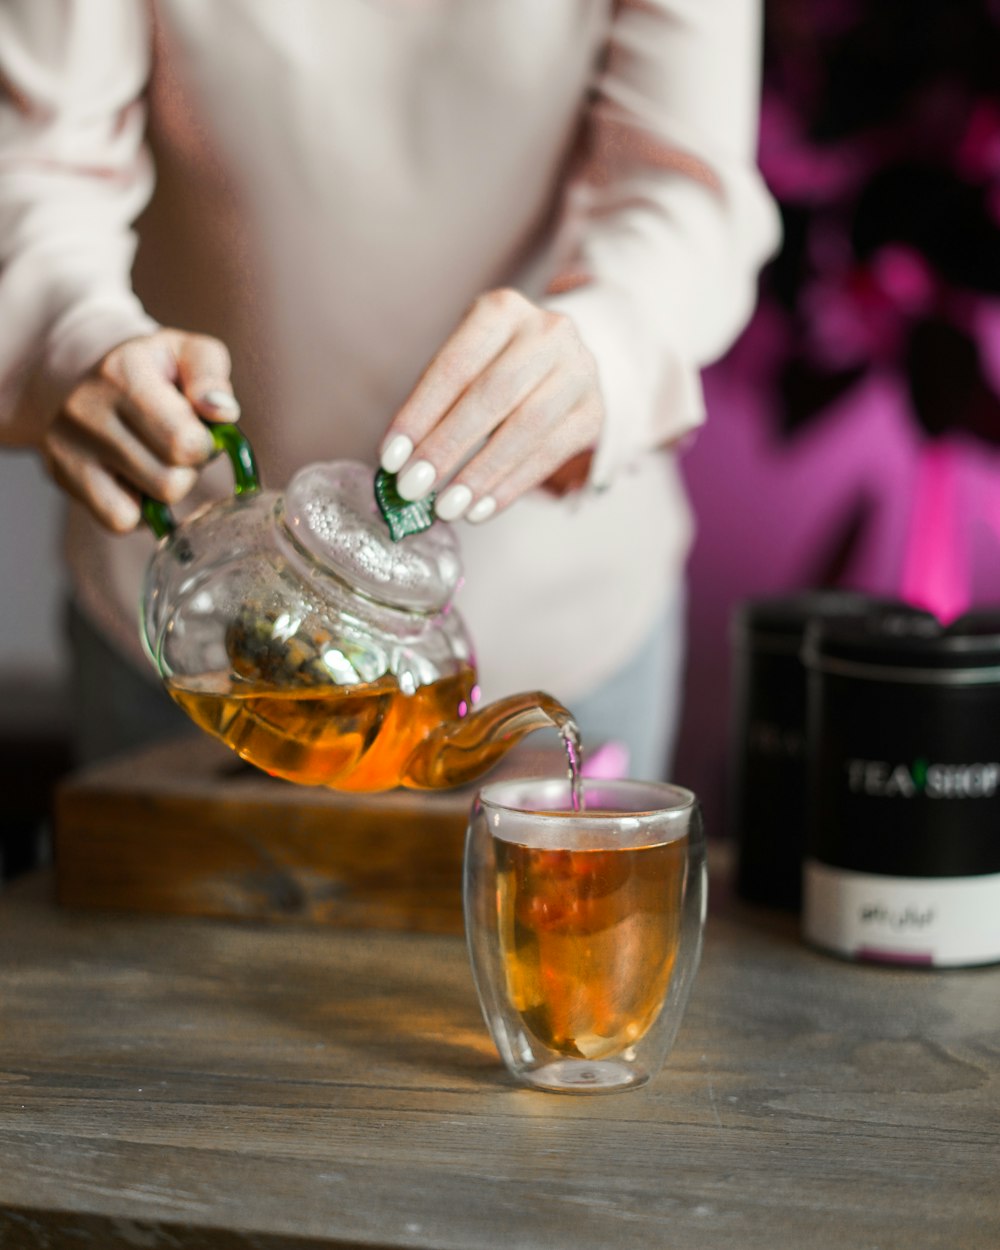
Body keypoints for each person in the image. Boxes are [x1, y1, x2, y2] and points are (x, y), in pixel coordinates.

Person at [0, 0, 779, 780]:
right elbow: (38, 161)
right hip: (193, 612)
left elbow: (683, 189)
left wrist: (604, 346)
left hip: (552, 609)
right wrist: (74, 334)